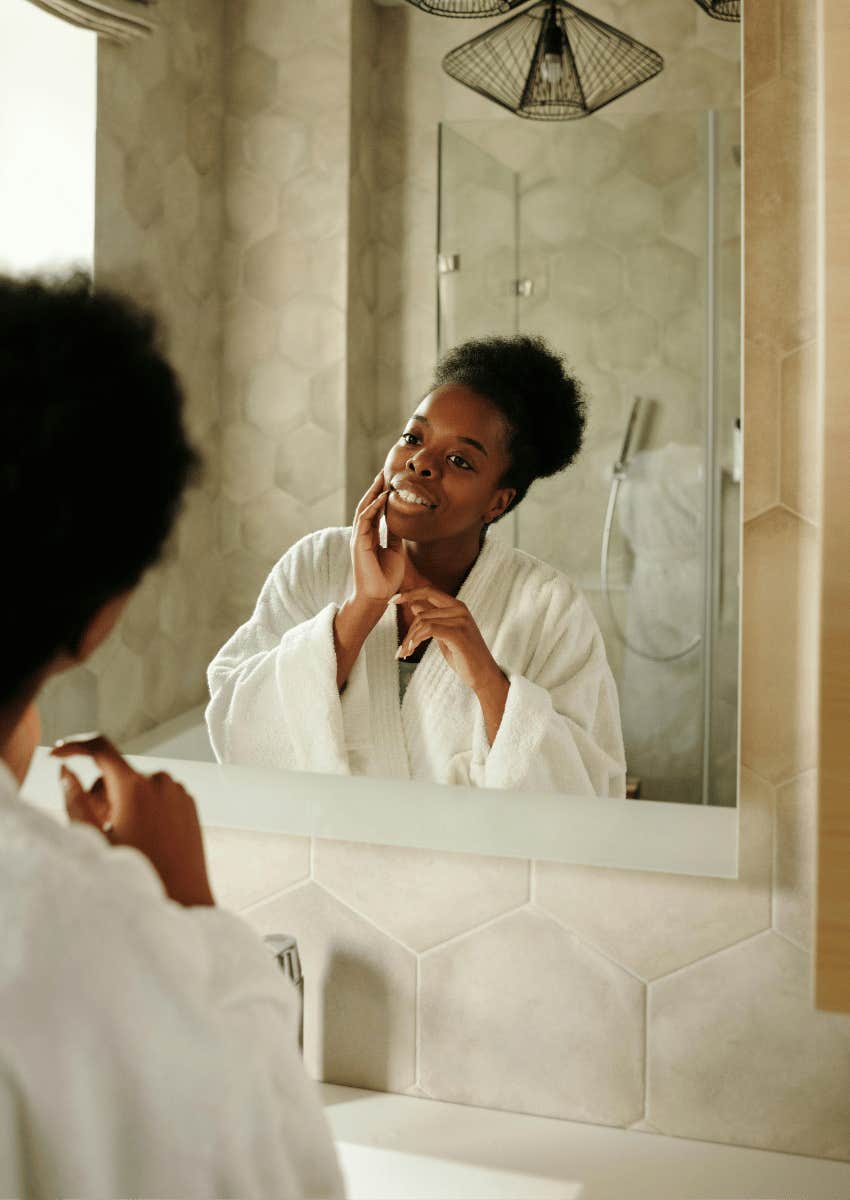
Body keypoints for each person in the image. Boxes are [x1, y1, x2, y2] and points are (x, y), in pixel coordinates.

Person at [0, 272, 343, 1199]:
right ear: (106, 612)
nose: (419, 469)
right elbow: (275, 1176)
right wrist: (186, 911)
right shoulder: (85, 943)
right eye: (413, 441)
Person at [207, 335, 626, 797]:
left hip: (470, 867)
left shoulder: (548, 606)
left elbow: (588, 786)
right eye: (413, 438)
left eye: (459, 459)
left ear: (497, 502)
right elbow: (237, 728)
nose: (420, 463)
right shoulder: (316, 563)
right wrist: (361, 609)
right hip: (322, 858)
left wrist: (487, 677)